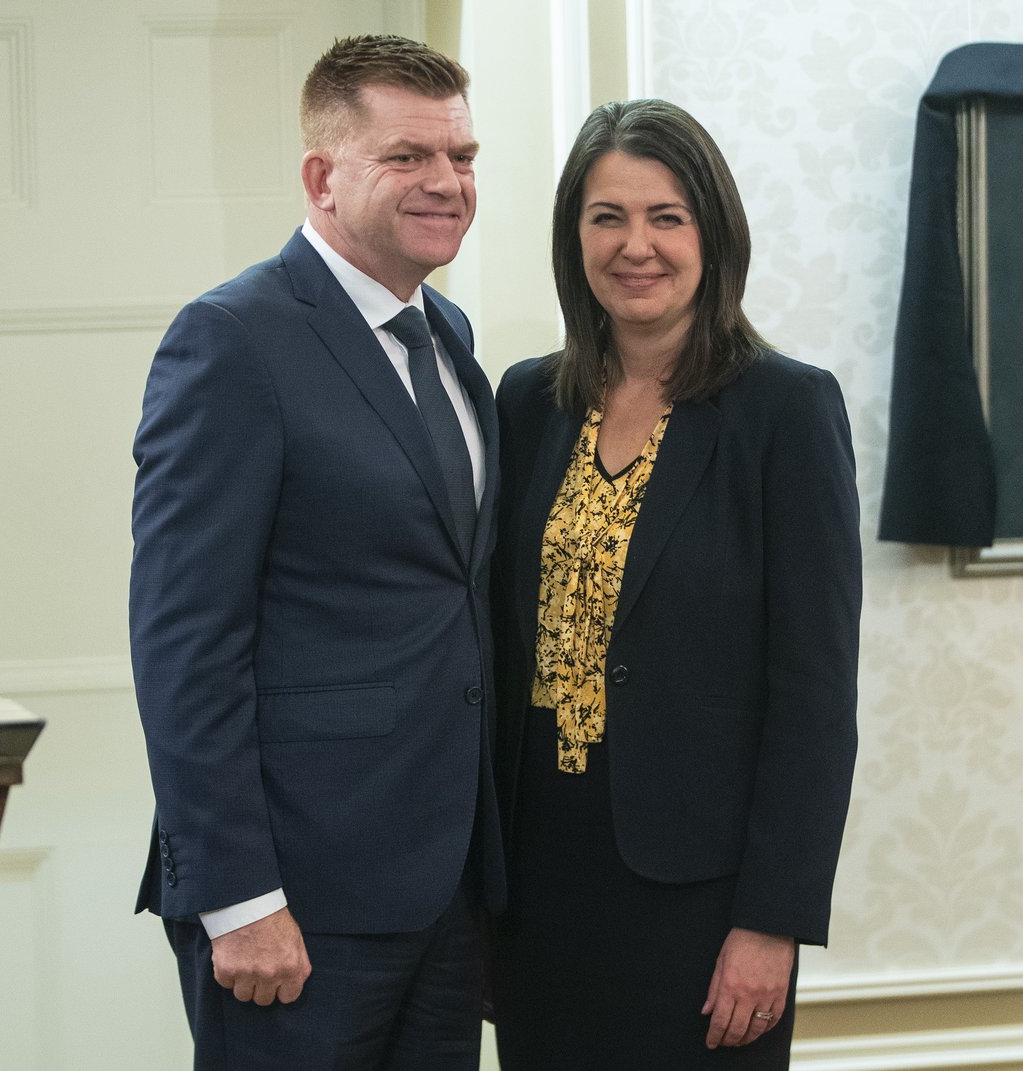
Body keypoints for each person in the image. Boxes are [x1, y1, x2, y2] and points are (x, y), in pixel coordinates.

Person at [129, 34, 505, 1071]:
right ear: (321, 177)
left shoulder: (449, 335)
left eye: (462, 156)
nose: (445, 182)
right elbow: (184, 644)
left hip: (443, 893)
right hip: (294, 901)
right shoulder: (231, 340)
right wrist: (238, 897)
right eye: (406, 156)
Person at [489, 98, 860, 1070]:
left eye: (666, 217)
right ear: (573, 237)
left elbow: (815, 693)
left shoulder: (785, 410)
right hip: (537, 883)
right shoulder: (525, 402)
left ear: (712, 233)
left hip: (702, 898)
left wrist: (771, 921)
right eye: (606, 217)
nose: (635, 246)